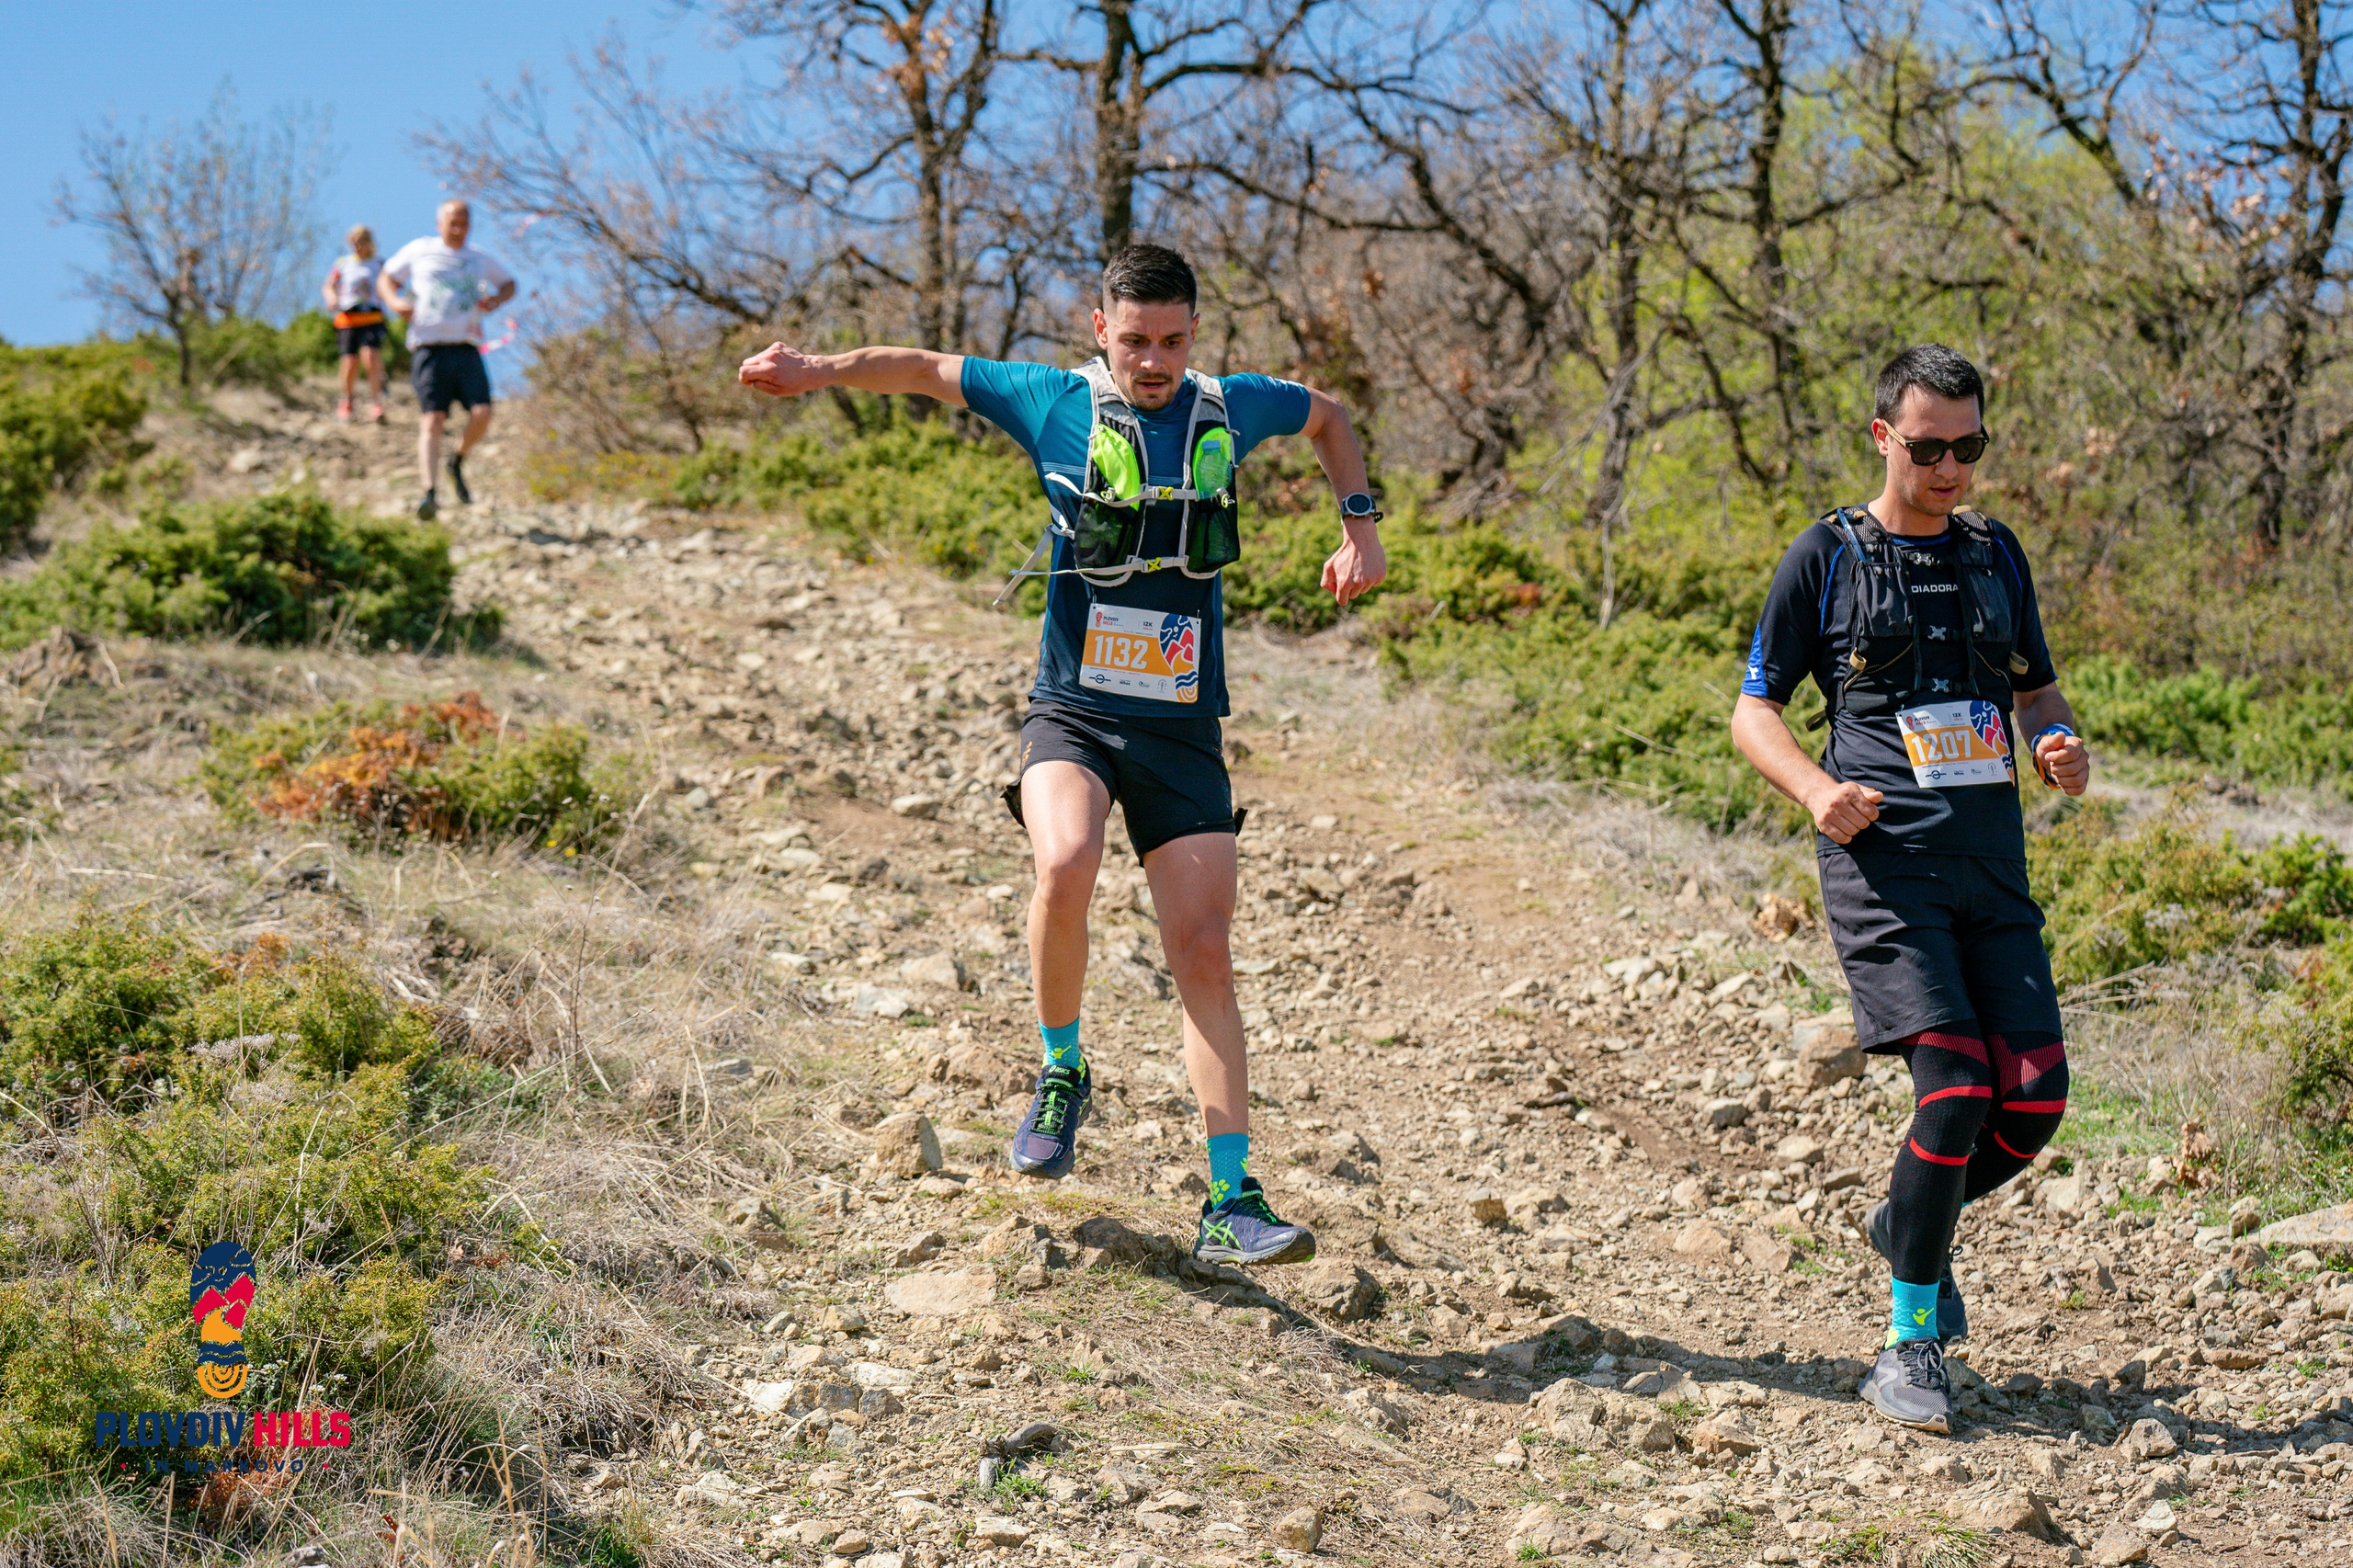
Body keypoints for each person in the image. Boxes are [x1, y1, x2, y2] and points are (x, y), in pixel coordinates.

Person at [740, 244, 1386, 1266]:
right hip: (1073, 710)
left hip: (1182, 725)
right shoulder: (1053, 401)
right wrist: (818, 370)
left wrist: (1360, 528)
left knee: (1203, 949)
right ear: (1099, 330)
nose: (1155, 361)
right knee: (1066, 859)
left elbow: (1330, 418)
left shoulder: (1231, 406)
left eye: (1172, 340)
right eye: (1135, 341)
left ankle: (1230, 1202)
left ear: (1194, 333)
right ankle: (1061, 1070)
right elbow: (924, 368)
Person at [1729, 344, 2091, 1435]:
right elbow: (1753, 709)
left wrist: (2057, 742)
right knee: (1955, 1088)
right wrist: (1813, 789)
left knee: (2033, 1096)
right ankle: (1908, 1340)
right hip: (1882, 865)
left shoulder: (1995, 552)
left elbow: (2036, 690)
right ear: (1883, 435)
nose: (1950, 468)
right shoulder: (1826, 554)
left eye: (1968, 446)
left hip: (1990, 862)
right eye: (1930, 447)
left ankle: (1906, 1219)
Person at [379, 199, 516, 521]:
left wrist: (496, 299)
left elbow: (510, 283)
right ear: (439, 223)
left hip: (466, 347)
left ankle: (457, 460)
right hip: (428, 349)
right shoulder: (420, 251)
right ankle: (429, 492)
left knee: (482, 413)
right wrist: (394, 302)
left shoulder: (478, 257)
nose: (458, 230)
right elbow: (386, 278)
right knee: (432, 420)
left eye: (464, 224)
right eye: (452, 223)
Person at [321, 225, 387, 424]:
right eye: (354, 242)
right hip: (348, 318)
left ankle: (377, 403)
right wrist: (332, 298)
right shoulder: (343, 264)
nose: (358, 246)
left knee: (371, 358)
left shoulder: (379, 265)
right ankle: (347, 400)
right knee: (349, 362)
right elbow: (328, 286)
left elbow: (392, 286)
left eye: (361, 242)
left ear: (370, 243)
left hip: (371, 317)